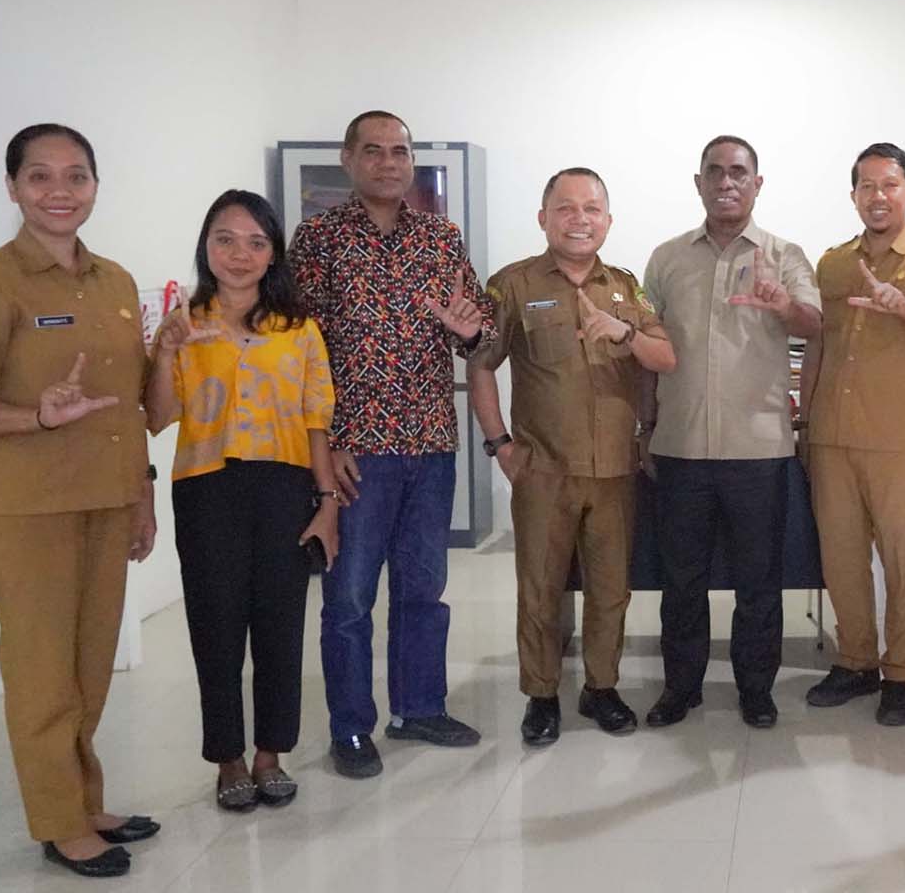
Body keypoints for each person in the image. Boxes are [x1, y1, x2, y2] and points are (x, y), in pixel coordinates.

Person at [0, 124, 160, 878]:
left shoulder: (116, 283)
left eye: (76, 175)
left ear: (95, 185)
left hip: (106, 500)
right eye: (40, 176)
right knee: (41, 675)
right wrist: (37, 415)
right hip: (22, 509)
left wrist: (141, 496)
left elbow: (132, 406)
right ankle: (60, 823)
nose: (60, 191)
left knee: (90, 668)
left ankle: (84, 802)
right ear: (13, 187)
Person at [289, 110, 495, 778]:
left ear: (412, 161)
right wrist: (326, 445)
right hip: (356, 451)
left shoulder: (441, 238)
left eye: (399, 152)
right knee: (349, 596)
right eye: (373, 151)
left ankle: (420, 707)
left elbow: (481, 333)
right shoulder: (318, 240)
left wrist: (469, 331)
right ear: (348, 159)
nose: (388, 162)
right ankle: (350, 728)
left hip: (431, 442)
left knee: (424, 588)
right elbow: (298, 350)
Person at [145, 190, 340, 811]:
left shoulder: (299, 328)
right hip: (207, 488)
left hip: (284, 486)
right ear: (206, 246)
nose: (240, 254)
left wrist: (327, 502)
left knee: (281, 625)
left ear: (273, 253)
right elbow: (157, 416)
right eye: (225, 239)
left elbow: (316, 420)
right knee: (216, 625)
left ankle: (270, 754)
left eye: (257, 242)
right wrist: (166, 352)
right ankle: (228, 757)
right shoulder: (184, 324)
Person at [467, 168, 676, 745]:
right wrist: (499, 445)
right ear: (544, 218)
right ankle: (541, 695)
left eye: (591, 209)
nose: (579, 219)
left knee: (611, 590)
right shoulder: (512, 285)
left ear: (608, 220)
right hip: (543, 470)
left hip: (615, 470)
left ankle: (601, 688)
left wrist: (624, 333)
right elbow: (481, 365)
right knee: (540, 588)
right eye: (565, 208)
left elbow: (664, 358)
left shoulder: (626, 288)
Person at [640, 134, 822, 730]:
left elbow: (814, 324)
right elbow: (647, 348)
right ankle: (680, 688)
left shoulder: (784, 255)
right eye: (715, 172)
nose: (726, 182)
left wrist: (782, 305)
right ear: (699, 183)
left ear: (757, 183)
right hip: (681, 446)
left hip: (758, 450)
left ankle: (756, 690)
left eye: (739, 172)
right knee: (681, 581)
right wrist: (645, 427)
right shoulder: (666, 259)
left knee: (759, 583)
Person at [799, 143, 905, 727]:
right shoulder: (833, 263)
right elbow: (817, 344)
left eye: (890, 185)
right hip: (832, 436)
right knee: (841, 558)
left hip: (897, 440)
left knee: (901, 560)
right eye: (866, 186)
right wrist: (805, 422)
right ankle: (856, 661)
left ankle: (902, 675)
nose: (878, 196)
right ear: (853, 195)